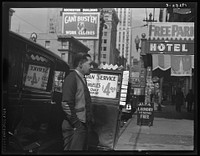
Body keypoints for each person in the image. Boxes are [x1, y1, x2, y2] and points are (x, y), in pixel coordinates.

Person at [61, 53, 94, 150]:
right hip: (74, 126)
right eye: (89, 64)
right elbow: (66, 103)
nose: (91, 67)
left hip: (80, 125)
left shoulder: (81, 78)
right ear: (80, 64)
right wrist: (77, 124)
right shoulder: (72, 78)